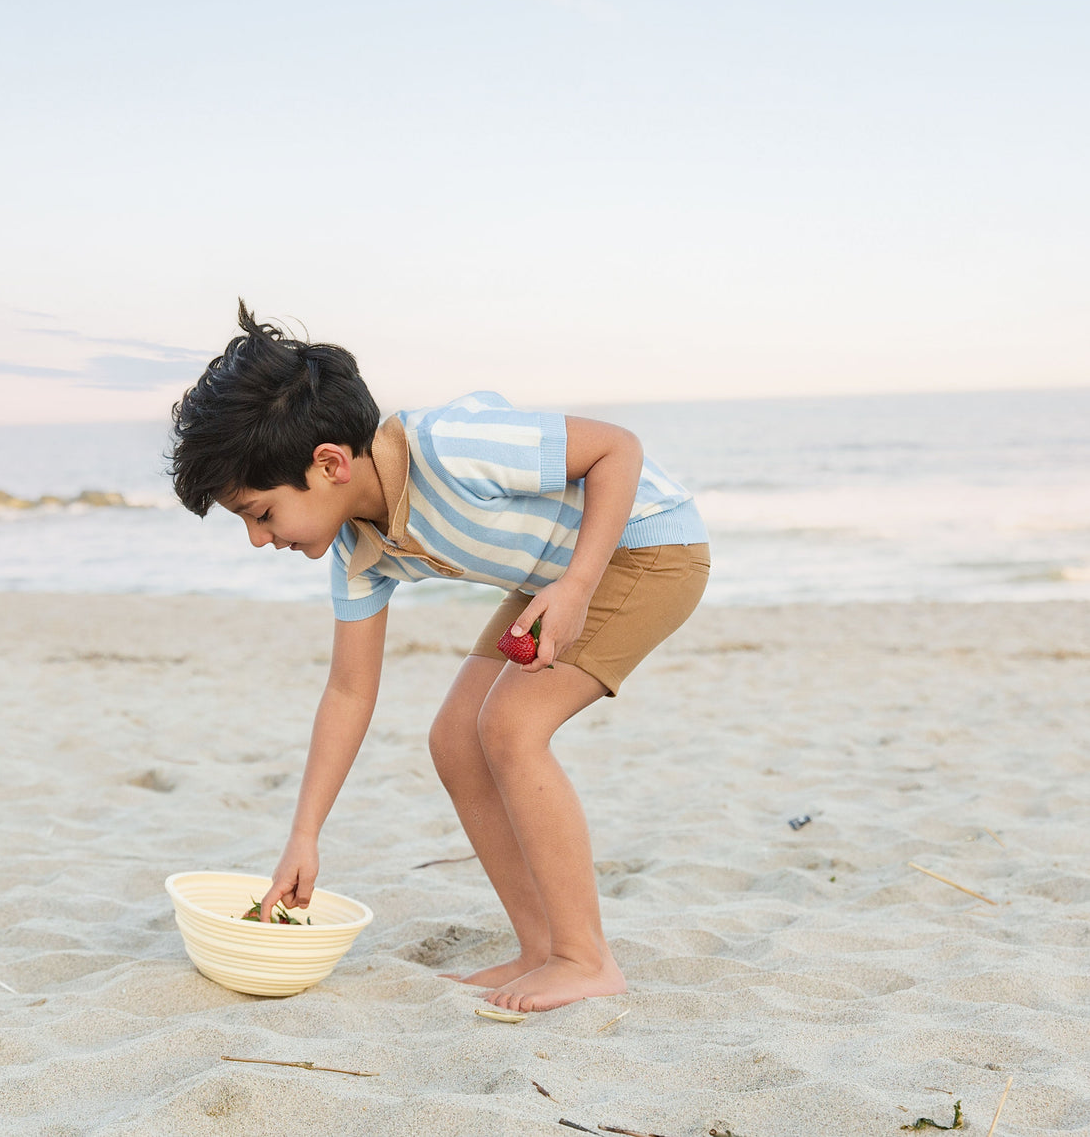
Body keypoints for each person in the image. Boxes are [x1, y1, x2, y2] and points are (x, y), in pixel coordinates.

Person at [169, 303, 710, 1012]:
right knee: (454, 738)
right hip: (554, 577)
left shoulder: (447, 445)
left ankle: (586, 959)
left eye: (260, 512)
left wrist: (577, 585)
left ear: (328, 463)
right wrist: (304, 836)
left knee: (509, 727)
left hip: (647, 547)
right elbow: (348, 692)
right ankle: (541, 947)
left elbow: (616, 447)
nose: (257, 540)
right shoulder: (358, 547)